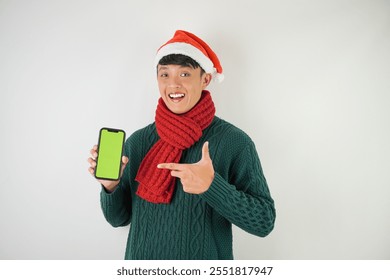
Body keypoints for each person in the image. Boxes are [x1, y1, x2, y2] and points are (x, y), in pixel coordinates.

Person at [88, 30, 276, 260]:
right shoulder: (138, 142)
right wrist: (111, 186)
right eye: (164, 75)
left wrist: (212, 186)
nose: (173, 84)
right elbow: (118, 219)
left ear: (205, 79)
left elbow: (264, 222)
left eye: (185, 74)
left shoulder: (234, 142)